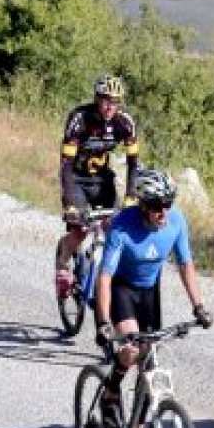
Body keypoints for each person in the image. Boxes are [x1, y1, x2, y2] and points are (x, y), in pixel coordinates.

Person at [94, 168, 212, 428]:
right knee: (131, 350)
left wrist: (198, 306)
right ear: (143, 204)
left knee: (149, 360)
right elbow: (105, 277)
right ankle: (110, 393)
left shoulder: (176, 222)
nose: (164, 212)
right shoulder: (121, 227)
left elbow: (186, 265)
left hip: (149, 293)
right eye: (158, 206)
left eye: (168, 204)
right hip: (121, 289)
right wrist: (103, 322)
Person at [55, 74, 140, 300]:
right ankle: (63, 265)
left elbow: (134, 164)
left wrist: (131, 196)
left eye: (115, 101)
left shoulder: (125, 123)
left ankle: (105, 280)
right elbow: (66, 165)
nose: (110, 105)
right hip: (76, 180)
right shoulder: (79, 119)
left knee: (115, 227)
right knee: (80, 229)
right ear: (97, 98)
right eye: (106, 100)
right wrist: (71, 203)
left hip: (103, 181)